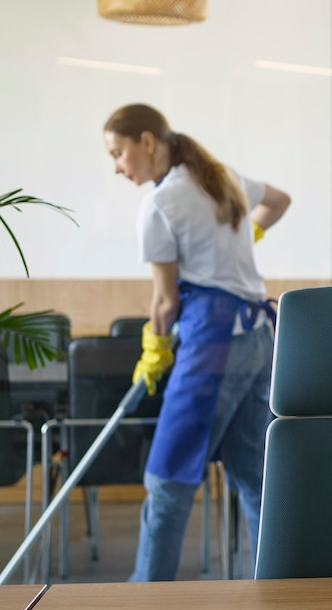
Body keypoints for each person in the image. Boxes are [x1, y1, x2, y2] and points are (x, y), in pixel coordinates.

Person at [102, 103, 291, 582]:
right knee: (253, 476)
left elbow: (165, 303)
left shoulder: (160, 205)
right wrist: (245, 235)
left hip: (212, 347)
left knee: (168, 478)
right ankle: (272, 586)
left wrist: (154, 350)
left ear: (148, 142)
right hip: (259, 340)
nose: (118, 167)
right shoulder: (221, 177)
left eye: (119, 153)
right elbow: (281, 200)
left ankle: (148, 595)